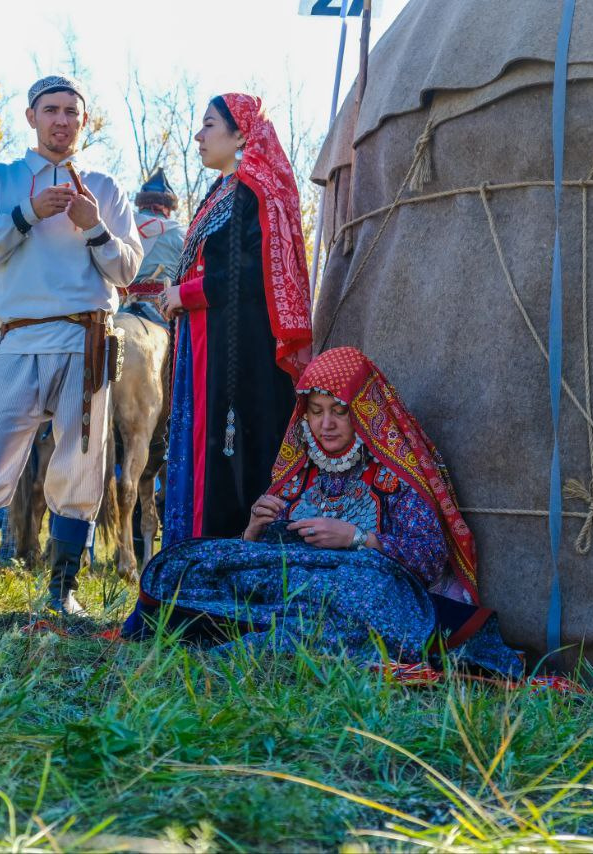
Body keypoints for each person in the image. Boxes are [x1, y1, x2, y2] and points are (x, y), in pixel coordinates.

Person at [123, 347, 523, 677]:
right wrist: (251, 533)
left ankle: (255, 645)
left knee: (360, 586)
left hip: (368, 594)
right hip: (290, 591)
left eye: (340, 410)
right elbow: (268, 558)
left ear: (363, 410)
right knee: (189, 560)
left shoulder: (396, 474)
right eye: (316, 411)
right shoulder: (300, 468)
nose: (326, 424)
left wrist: (356, 538)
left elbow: (431, 556)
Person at [0, 74, 142, 615]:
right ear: (31, 117)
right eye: (52, 110)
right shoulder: (3, 179)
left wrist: (94, 227)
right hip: (18, 337)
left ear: (83, 120)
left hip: (84, 337)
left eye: (72, 111)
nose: (62, 120)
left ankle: (62, 592)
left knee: (80, 461)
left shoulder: (106, 187)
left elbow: (128, 268)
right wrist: (29, 213)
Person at [159, 94, 311, 544]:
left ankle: (220, 559)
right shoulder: (220, 193)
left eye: (209, 125)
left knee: (229, 455)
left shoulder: (253, 192)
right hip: (203, 344)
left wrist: (183, 294)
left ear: (241, 133)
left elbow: (249, 272)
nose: (198, 136)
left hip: (236, 355)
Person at [123, 168, 186, 324]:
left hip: (123, 306)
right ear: (167, 208)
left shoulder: (123, 228)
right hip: (164, 308)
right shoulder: (181, 233)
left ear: (141, 205)